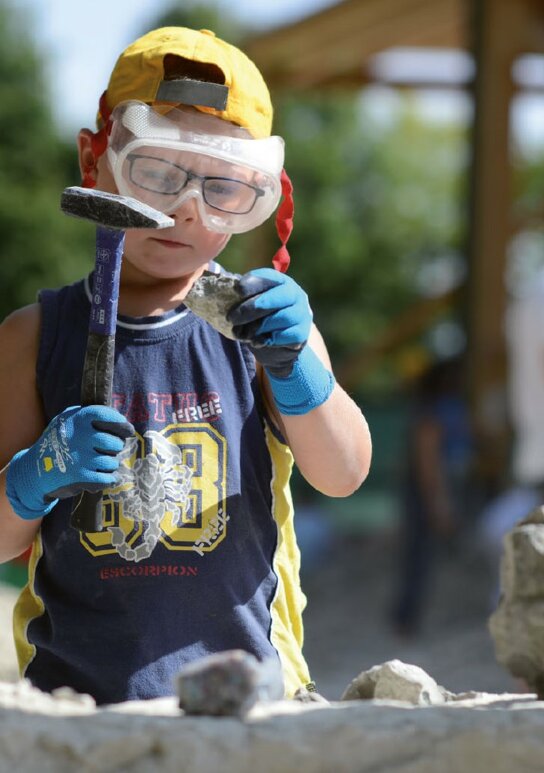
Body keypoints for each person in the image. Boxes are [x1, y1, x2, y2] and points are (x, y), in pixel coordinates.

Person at [0, 26, 371, 704]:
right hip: (77, 706)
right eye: (158, 172)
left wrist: (298, 370)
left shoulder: (265, 329)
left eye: (225, 188)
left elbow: (344, 472)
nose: (185, 208)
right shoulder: (34, 338)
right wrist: (32, 478)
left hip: (250, 700)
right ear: (95, 159)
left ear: (263, 194)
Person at [391, 356, 472, 636]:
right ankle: (406, 620)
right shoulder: (430, 412)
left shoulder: (435, 408)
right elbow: (428, 464)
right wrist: (439, 505)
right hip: (426, 494)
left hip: (432, 490)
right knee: (418, 559)